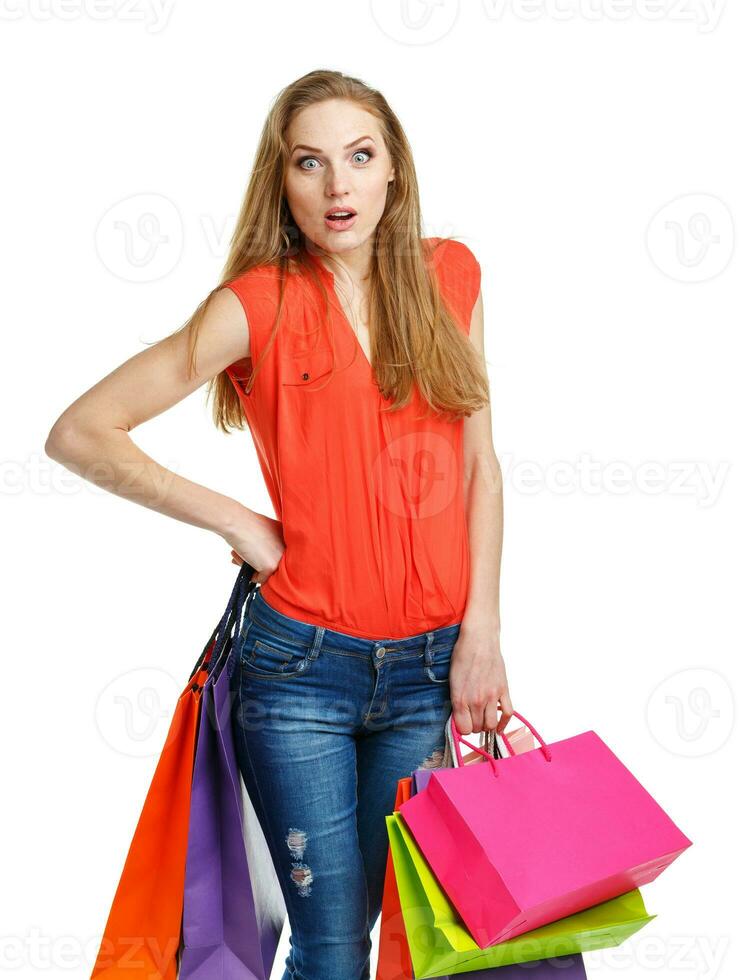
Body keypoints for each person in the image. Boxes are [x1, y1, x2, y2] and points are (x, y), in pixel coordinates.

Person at [45, 68, 512, 980]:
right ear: (282, 179)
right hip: (300, 670)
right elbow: (80, 432)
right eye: (310, 163)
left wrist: (482, 633)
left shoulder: (449, 273)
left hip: (432, 668)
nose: (337, 187)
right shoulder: (255, 302)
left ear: (392, 173)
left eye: (358, 157)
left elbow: (478, 465)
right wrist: (243, 524)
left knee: (409, 941)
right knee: (332, 944)